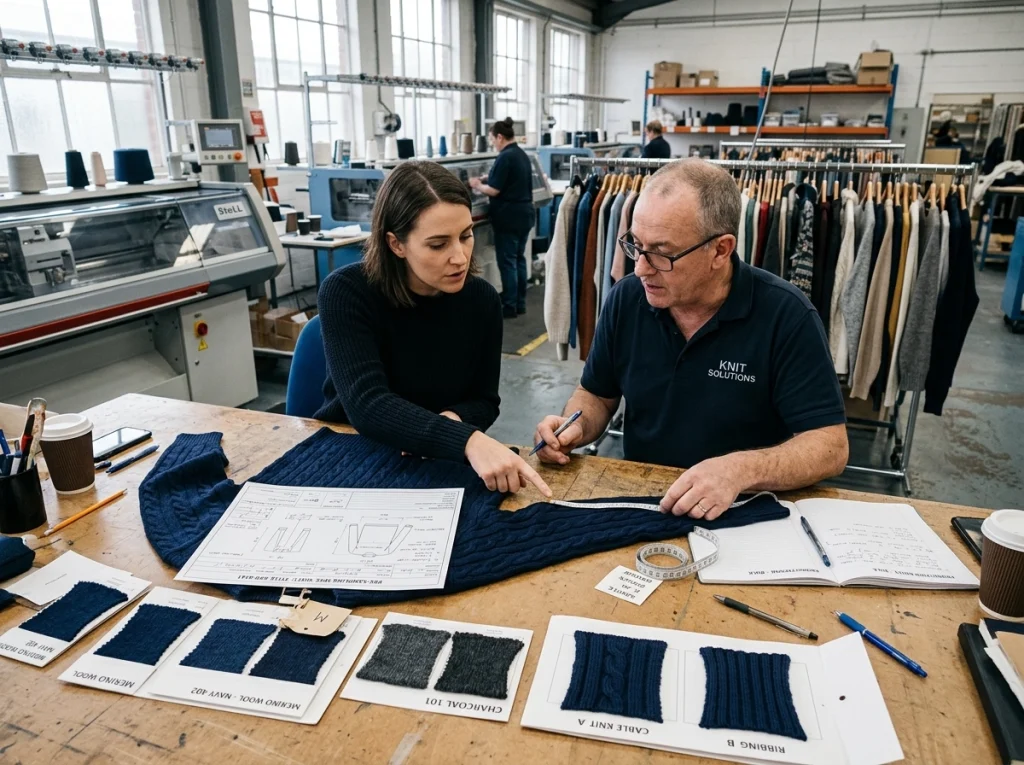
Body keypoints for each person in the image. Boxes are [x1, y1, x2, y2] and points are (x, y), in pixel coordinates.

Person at [533, 158, 848, 519]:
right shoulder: (627, 298)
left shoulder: (786, 315)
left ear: (720, 250)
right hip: (645, 500)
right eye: (636, 245)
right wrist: (573, 426)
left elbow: (829, 446)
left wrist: (739, 470)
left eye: (663, 254)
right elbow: (597, 396)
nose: (640, 267)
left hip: (746, 510)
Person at [317, 161, 551, 497]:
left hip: (433, 459)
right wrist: (466, 440)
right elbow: (367, 404)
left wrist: (452, 422)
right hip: (351, 455)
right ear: (396, 244)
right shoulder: (347, 292)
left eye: (466, 236)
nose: (460, 257)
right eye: (438, 245)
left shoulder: (482, 300)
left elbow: (484, 400)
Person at [470, 118, 536, 319]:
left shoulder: (505, 157)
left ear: (500, 137)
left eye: (492, 139)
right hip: (524, 214)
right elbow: (507, 179)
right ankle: (520, 303)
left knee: (507, 262)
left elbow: (495, 190)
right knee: (519, 259)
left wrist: (476, 184)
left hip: (509, 217)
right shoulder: (521, 154)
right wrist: (486, 179)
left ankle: (508, 306)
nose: (492, 143)